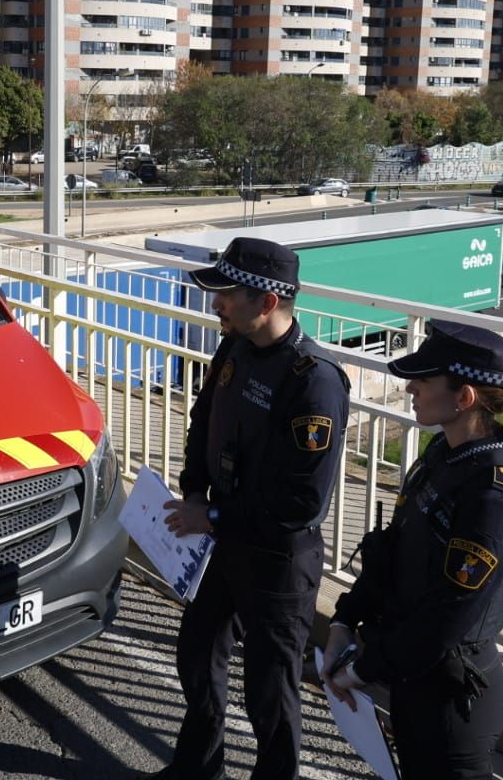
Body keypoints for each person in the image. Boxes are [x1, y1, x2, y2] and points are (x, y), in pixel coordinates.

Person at [150, 237, 351, 780]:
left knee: (270, 689)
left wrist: (212, 517)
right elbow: (203, 420)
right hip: (226, 540)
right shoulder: (233, 346)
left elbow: (301, 501)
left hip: (279, 558)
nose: (216, 304)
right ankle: (198, 767)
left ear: (266, 303)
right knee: (197, 650)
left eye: (227, 294)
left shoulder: (314, 381)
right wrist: (195, 492)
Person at [320, 320, 503, 780]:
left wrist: (362, 669)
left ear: (464, 397)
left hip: (451, 705)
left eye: (423, 380)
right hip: (414, 680)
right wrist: (344, 621)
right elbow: (388, 552)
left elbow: (448, 617)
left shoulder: (495, 493)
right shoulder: (442, 455)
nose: (411, 388)